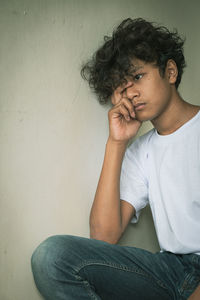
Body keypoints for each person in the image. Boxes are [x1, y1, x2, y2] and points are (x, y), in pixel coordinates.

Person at [31, 18, 200, 299]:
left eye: (137, 77)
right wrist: (117, 142)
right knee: (52, 257)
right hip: (172, 270)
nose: (130, 93)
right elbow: (103, 236)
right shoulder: (141, 151)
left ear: (170, 72)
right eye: (121, 87)